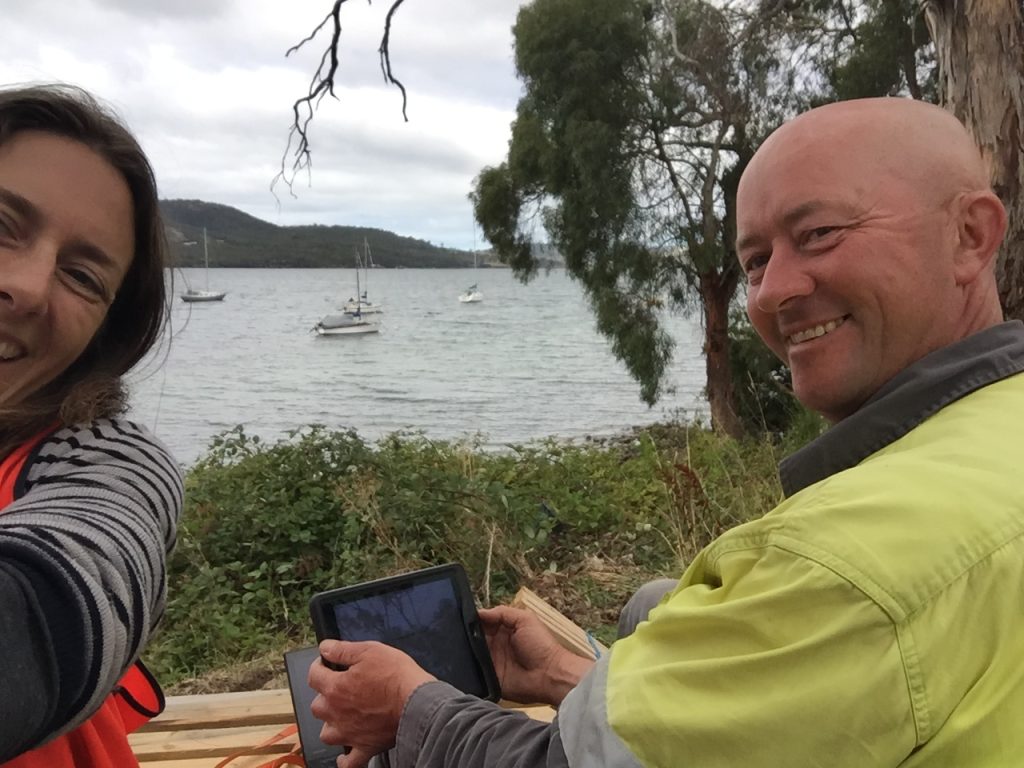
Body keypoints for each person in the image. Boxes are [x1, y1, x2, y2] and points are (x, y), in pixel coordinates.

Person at [308, 97, 1024, 766]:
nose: (772, 292)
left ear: (971, 235)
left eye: (819, 234)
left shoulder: (848, 560)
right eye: (756, 261)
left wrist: (407, 709)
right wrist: (569, 675)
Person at [0, 84, 183, 766]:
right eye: (2, 224)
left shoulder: (105, 461)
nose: (30, 284)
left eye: (82, 276)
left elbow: (88, 568)